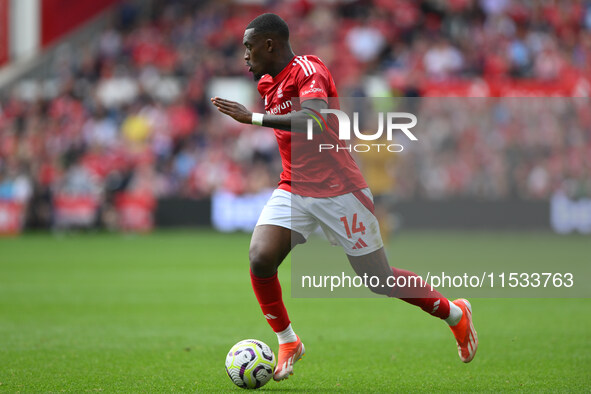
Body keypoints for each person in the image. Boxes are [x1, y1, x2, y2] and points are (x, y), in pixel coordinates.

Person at [211, 13, 477, 382]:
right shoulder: (267, 83)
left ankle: (454, 314)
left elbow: (316, 119)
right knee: (260, 258)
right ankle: (288, 340)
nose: (244, 55)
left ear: (269, 44)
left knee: (379, 279)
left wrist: (253, 119)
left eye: (248, 47)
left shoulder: (309, 69)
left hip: (340, 190)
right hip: (295, 187)